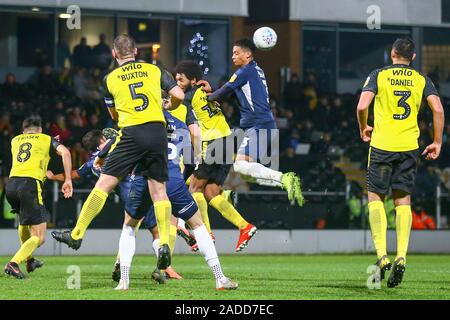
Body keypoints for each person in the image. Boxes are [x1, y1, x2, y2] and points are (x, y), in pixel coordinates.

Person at [51, 34, 185, 274]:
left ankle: (77, 234)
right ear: (136, 51)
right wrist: (167, 106)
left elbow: (113, 116)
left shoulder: (109, 79)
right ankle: (165, 244)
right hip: (157, 132)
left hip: (131, 133)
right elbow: (180, 96)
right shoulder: (154, 70)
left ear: (114, 54)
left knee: (103, 184)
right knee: (159, 191)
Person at [356, 38, 444, 288]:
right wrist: (437, 141)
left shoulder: (378, 75)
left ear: (392, 54)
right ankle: (402, 256)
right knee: (402, 202)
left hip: (382, 146)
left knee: (375, 199)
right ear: (413, 57)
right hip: (409, 148)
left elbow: (363, 105)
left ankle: (383, 256)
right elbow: (437, 110)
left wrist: (364, 127)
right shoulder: (421, 80)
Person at [203, 39, 304, 206]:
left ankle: (284, 177)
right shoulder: (256, 70)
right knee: (245, 173)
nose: (233, 56)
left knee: (241, 166)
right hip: (263, 124)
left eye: (237, 53)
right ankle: (285, 182)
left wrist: (202, 96)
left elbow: (221, 94)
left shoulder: (244, 72)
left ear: (248, 54)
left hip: (258, 125)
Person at [174, 60, 257, 252]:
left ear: (193, 80)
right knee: (211, 192)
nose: (178, 83)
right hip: (228, 140)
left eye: (181, 79)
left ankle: (206, 234)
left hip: (213, 142)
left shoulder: (188, 98)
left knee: (194, 187)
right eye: (176, 79)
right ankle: (245, 226)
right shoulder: (204, 92)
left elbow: (189, 125)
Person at [4, 115, 73, 279]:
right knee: (39, 237)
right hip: (30, 186)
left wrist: (49, 142)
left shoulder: (15, 140)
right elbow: (66, 153)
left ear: (23, 131)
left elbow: (34, 146)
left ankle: (30, 260)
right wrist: (68, 179)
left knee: (24, 222)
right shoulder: (46, 139)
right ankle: (13, 263)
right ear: (41, 130)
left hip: (11, 185)